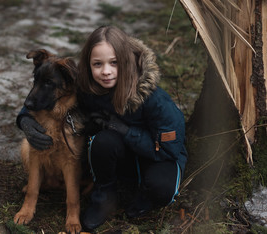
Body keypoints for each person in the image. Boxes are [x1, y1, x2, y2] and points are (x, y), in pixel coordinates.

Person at [16, 25, 187, 231]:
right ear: (88, 65)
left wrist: (124, 130)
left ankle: (145, 198)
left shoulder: (156, 100)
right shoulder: (88, 89)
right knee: (102, 142)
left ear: (124, 61)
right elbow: (50, 103)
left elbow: (169, 150)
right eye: (98, 64)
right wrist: (25, 119)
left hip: (158, 156)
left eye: (114, 63)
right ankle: (105, 196)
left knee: (161, 188)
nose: (106, 71)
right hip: (121, 153)